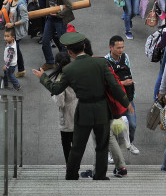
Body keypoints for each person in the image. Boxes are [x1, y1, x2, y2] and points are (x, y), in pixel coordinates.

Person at [33, 32, 130, 181]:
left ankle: (71, 175)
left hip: (83, 110)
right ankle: (100, 175)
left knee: (77, 146)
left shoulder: (69, 70)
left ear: (70, 52)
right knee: (102, 145)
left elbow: (55, 89)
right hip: (101, 110)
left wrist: (43, 78)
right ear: (84, 46)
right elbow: (115, 86)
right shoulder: (101, 63)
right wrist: (126, 103)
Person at [105, 35, 139, 154]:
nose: (121, 50)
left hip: (128, 98)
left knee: (132, 124)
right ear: (111, 47)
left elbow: (129, 72)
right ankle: (110, 151)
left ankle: (130, 143)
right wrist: (122, 83)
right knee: (114, 127)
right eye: (118, 48)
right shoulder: (105, 61)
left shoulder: (125, 57)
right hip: (114, 101)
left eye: (123, 47)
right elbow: (107, 83)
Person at [39, 0, 74, 70]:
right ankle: (50, 62)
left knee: (63, 43)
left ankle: (65, 65)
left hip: (60, 20)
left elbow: (70, 7)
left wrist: (58, 14)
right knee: (45, 41)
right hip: (50, 18)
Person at [50, 51, 77, 163]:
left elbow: (60, 103)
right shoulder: (76, 74)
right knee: (76, 144)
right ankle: (76, 165)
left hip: (67, 117)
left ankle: (70, 167)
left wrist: (53, 95)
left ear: (57, 64)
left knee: (66, 144)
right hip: (78, 114)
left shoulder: (60, 80)